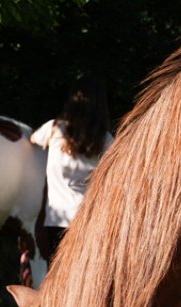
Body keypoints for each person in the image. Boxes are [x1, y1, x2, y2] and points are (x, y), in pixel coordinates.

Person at [30, 76, 112, 256]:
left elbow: (32, 140)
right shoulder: (106, 139)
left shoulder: (54, 129)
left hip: (56, 219)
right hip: (90, 222)